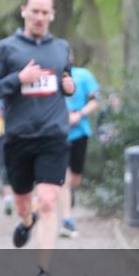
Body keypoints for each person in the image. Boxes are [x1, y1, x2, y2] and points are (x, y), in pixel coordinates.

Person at [0, 0, 75, 276]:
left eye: (44, 12)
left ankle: (43, 272)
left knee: (48, 200)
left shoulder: (61, 47)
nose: (38, 17)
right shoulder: (7, 48)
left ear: (52, 15)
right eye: (34, 11)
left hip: (54, 137)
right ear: (24, 11)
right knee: (24, 203)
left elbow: (66, 79)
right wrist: (18, 80)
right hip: (18, 138)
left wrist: (69, 85)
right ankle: (26, 220)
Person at [61, 56, 100, 238]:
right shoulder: (51, 76)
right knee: (64, 178)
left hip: (80, 132)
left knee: (75, 178)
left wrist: (79, 114)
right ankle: (67, 219)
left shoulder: (84, 75)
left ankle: (70, 194)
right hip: (57, 134)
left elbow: (95, 100)